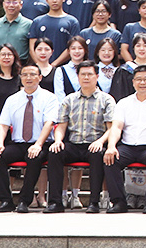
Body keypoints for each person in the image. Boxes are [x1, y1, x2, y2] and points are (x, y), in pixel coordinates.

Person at [102, 66, 146, 213]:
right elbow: (116, 127)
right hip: (128, 146)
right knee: (110, 158)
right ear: (133, 82)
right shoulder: (124, 102)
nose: (142, 82)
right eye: (139, 79)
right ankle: (119, 202)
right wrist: (111, 146)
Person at [45, 61, 113, 212]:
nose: (86, 77)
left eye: (90, 74)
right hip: (74, 144)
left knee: (98, 154)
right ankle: (56, 202)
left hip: (95, 143)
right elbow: (61, 126)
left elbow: (111, 128)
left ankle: (94, 202)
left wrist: (100, 142)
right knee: (55, 152)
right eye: (83, 74)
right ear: (78, 76)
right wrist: (58, 140)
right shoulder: (69, 100)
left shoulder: (106, 99)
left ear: (97, 76)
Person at [0, 63, 56, 213]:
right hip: (18, 143)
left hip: (41, 143)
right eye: (25, 75)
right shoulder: (12, 99)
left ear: (40, 77)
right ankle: (6, 200)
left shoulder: (49, 98)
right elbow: (3, 125)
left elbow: (49, 123)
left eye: (32, 74)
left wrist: (38, 145)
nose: (28, 78)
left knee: (34, 158)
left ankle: (25, 200)